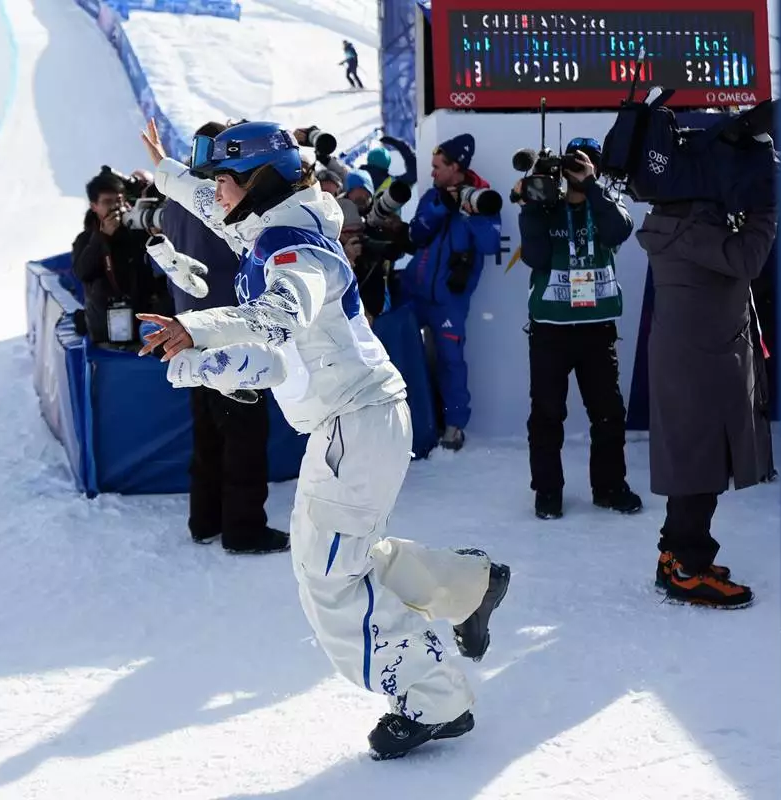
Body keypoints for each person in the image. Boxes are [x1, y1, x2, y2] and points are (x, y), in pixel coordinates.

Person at [135, 118, 510, 759]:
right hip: (353, 423)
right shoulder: (276, 226)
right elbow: (276, 354)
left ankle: (435, 700)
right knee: (338, 553)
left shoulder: (295, 254)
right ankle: (466, 586)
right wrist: (168, 171)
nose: (215, 194)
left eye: (223, 181)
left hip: (356, 425)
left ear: (259, 182)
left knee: (330, 579)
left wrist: (196, 330)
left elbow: (279, 322)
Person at [635, 200, 778, 609]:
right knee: (698, 458)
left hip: (695, 352)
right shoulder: (694, 230)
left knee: (696, 455)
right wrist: (765, 206)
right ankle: (685, 567)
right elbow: (749, 257)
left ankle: (676, 555)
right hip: (699, 356)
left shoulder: (677, 222)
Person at [154, 120, 287, 555]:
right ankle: (244, 528)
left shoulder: (176, 203)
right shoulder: (224, 204)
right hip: (232, 332)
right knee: (244, 438)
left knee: (208, 436)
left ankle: (204, 519)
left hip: (189, 332)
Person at [517, 137, 643, 520]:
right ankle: (548, 492)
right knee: (547, 414)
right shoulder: (544, 207)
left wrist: (591, 186)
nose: (575, 171)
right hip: (550, 330)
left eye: (584, 165)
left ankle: (609, 486)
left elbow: (619, 231)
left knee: (608, 413)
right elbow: (535, 256)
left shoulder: (604, 204)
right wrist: (532, 208)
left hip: (596, 329)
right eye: (570, 165)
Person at [402, 134, 502, 451]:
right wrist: (440, 208)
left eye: (437, 167)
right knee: (399, 352)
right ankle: (405, 422)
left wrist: (468, 211)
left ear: (455, 167)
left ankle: (454, 425)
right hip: (413, 293)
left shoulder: (483, 199)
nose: (432, 173)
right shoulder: (432, 195)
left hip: (449, 301)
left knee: (450, 362)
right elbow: (416, 235)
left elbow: (489, 245)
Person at [72, 166, 171, 346]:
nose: (115, 207)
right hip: (106, 332)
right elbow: (82, 272)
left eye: (119, 200)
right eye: (108, 202)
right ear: (94, 206)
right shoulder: (86, 239)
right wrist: (102, 238)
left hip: (144, 326)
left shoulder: (137, 232)